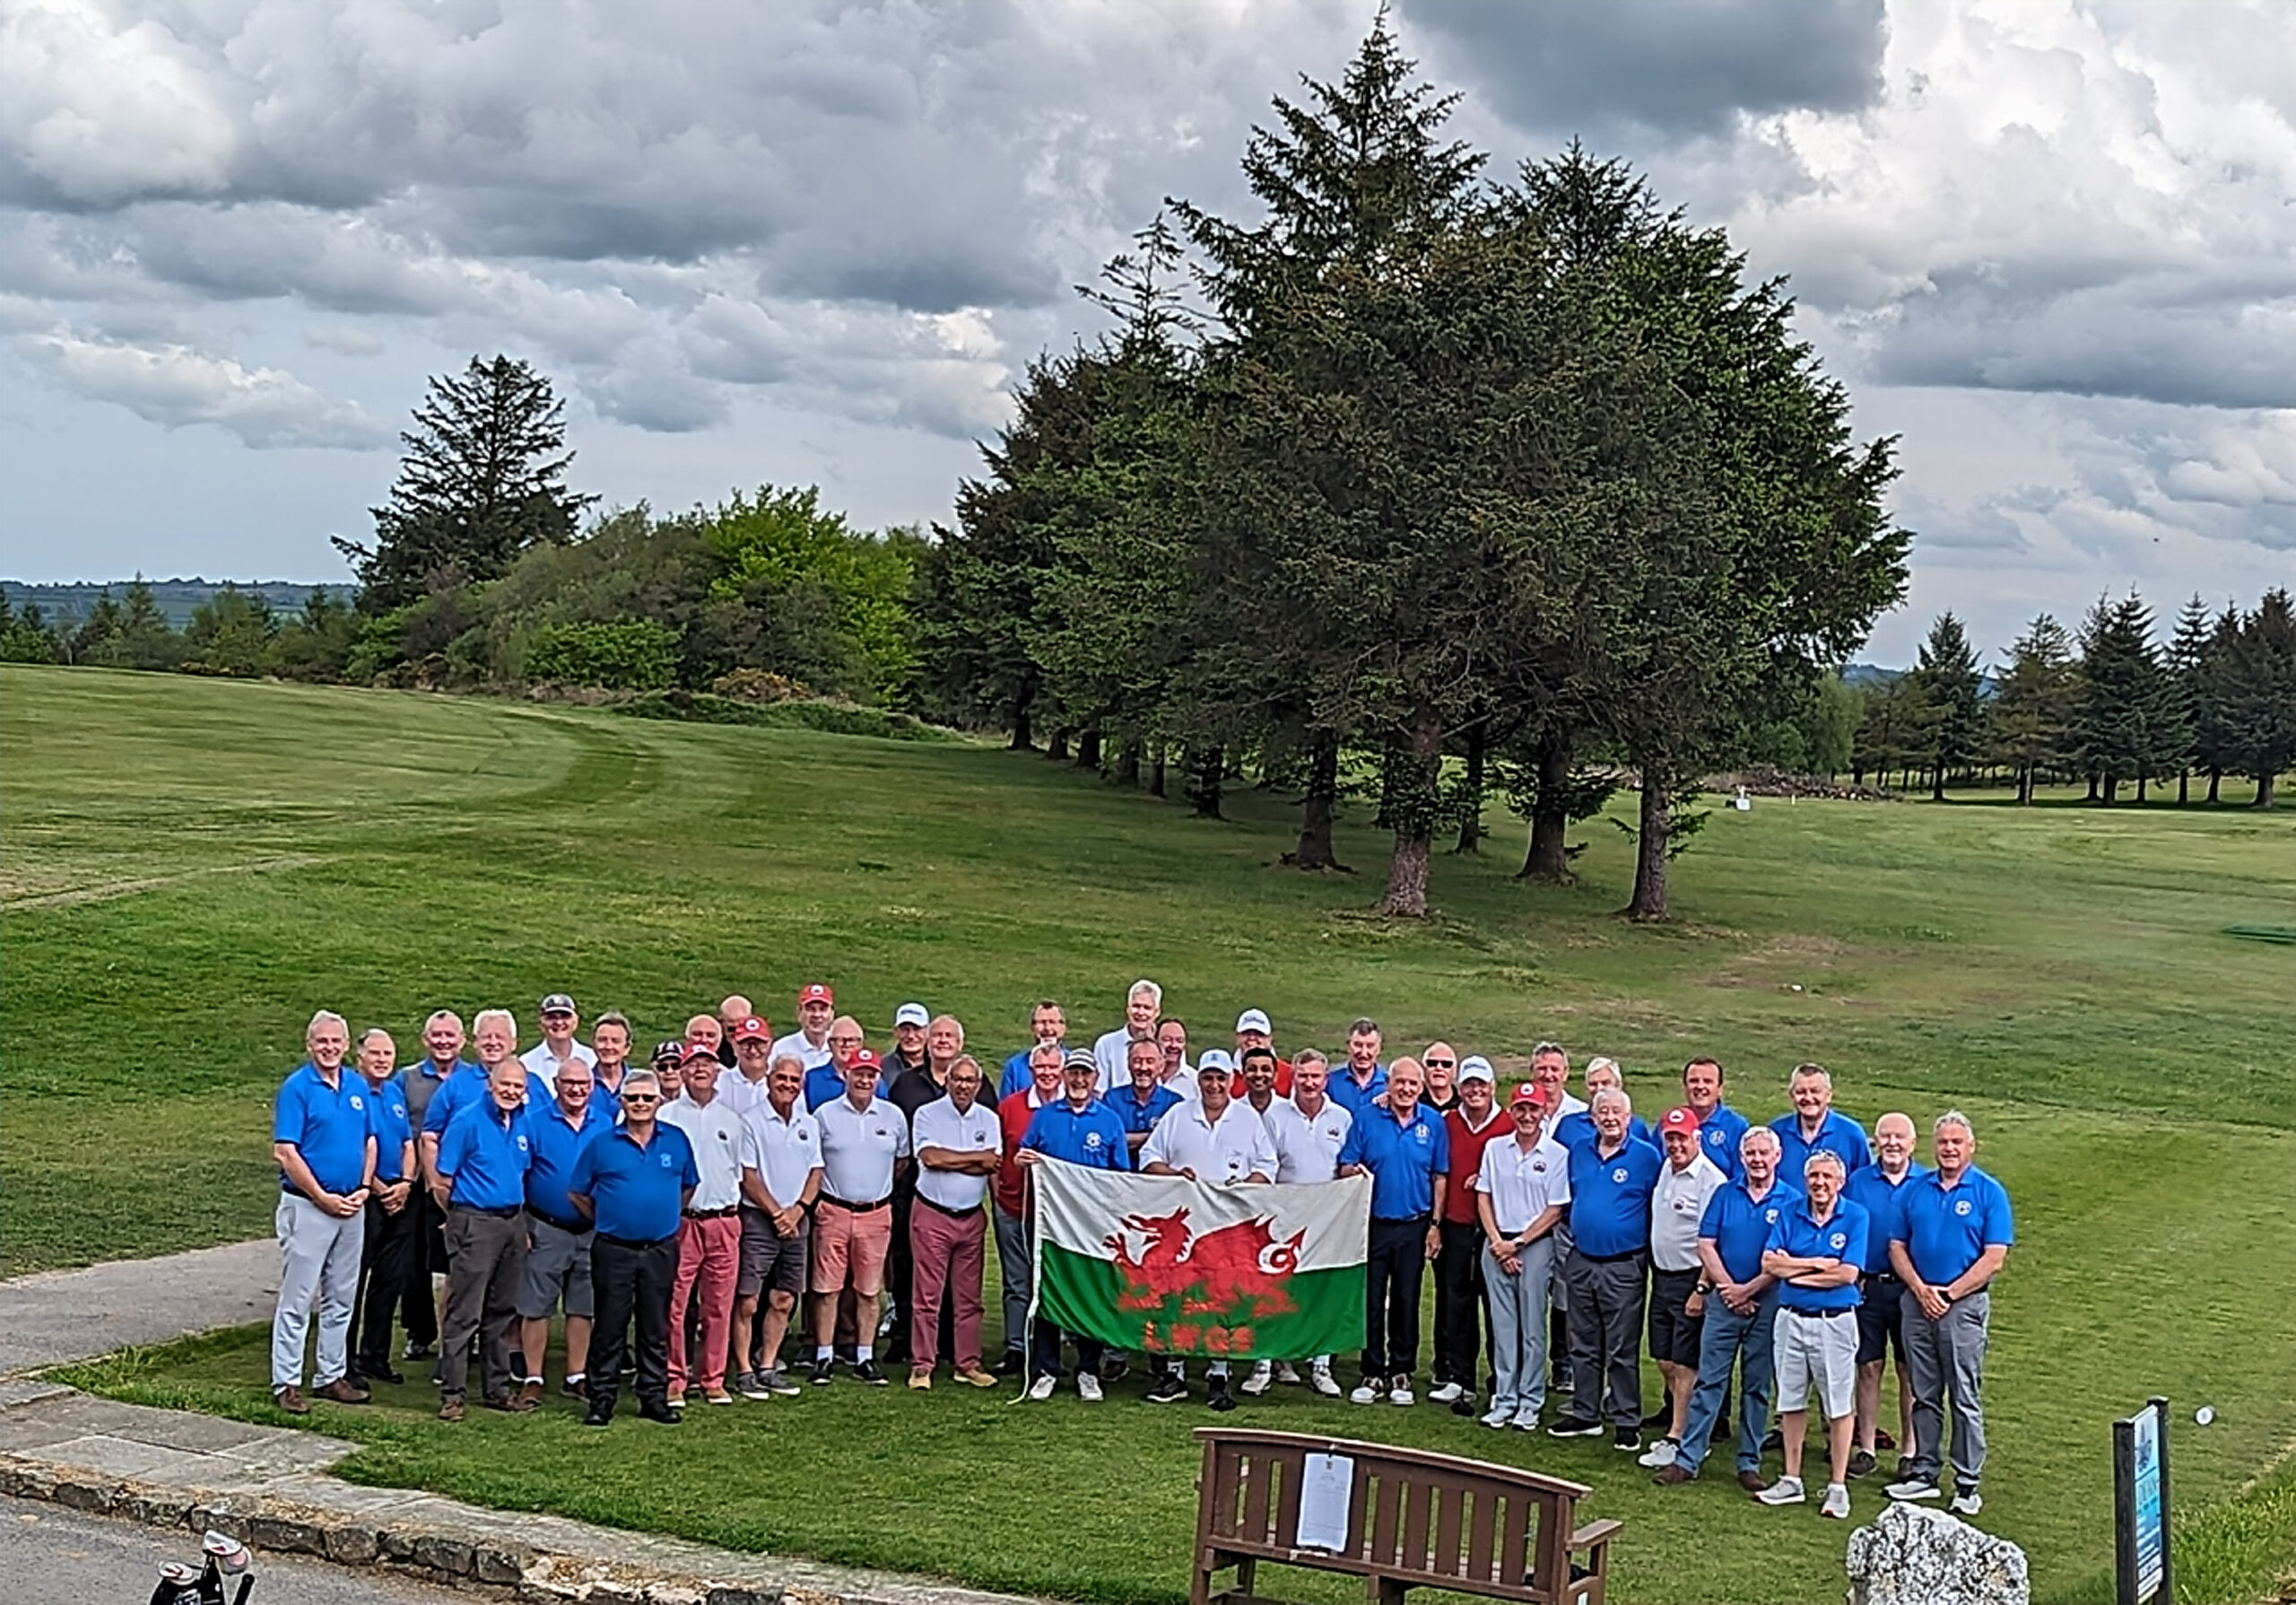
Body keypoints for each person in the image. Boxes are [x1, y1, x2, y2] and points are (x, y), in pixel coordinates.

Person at [1885, 1111, 2013, 1516]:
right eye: (1943, 1142)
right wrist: (1921, 1290)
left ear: (1971, 1146)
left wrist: (1949, 1293)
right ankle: (1924, 1472)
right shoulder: (1916, 1190)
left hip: (1964, 1306)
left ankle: (1967, 1482)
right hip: (1917, 1303)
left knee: (1963, 1393)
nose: (1949, 1149)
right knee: (1924, 1392)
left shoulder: (1988, 1192)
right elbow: (1896, 1246)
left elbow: (1994, 1258)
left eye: (1957, 1142)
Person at [1656, 1127, 1797, 1491]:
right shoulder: (1724, 1193)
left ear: (1777, 1156)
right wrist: (1728, 1289)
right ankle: (1688, 1458)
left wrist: (1747, 1291)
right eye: (1751, 1153)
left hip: (1767, 1303)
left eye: (1764, 1153)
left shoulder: (1790, 1201)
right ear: (1742, 1156)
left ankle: (1749, 1462)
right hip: (1724, 1303)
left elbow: (1782, 1258)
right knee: (1710, 1381)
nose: (1758, 1159)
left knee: (1757, 1385)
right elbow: (1706, 1244)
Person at [1138, 1056, 1278, 1410]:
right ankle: (1175, 1373)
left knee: (1221, 1298)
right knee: (1181, 1296)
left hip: (1226, 1228)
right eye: (1208, 1078)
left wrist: (1246, 1186)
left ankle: (1219, 1374)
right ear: (1199, 1080)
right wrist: (1173, 1175)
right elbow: (1149, 1156)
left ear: (1231, 1081)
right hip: (1187, 1224)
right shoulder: (1179, 1115)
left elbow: (1268, 1166)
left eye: (1220, 1079)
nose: (1213, 1086)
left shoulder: (1247, 1119)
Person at [568, 1069, 696, 1426]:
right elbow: (577, 1192)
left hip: (659, 1248)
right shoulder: (603, 1143)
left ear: (659, 1101)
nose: (640, 1104)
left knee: (655, 1327)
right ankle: (601, 1399)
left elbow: (688, 1187)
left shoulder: (676, 1140)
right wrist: (608, 1217)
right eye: (633, 1097)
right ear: (622, 1102)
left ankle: (653, 1397)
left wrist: (663, 1215)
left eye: (647, 1098)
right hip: (614, 1249)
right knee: (610, 1325)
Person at [269, 1011, 376, 1414]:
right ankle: (286, 1381)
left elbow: (369, 1141)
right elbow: (286, 1151)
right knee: (298, 1297)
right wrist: (321, 1196)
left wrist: (364, 1187)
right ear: (309, 1045)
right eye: (321, 1042)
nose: (329, 1048)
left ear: (347, 1045)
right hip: (308, 1205)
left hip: (352, 1206)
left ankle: (331, 1374)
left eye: (336, 1041)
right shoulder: (298, 1087)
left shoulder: (356, 1086)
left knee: (342, 1296)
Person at [1757, 1150, 1868, 1517]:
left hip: (1834, 1321)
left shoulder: (1855, 1216)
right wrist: (1815, 1264)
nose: (1819, 1184)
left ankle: (1837, 1485)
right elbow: (1769, 1262)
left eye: (1826, 1177)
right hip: (1790, 1318)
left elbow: (1847, 1274)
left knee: (1838, 1403)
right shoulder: (1791, 1211)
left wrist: (1795, 1272)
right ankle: (1791, 1479)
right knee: (1790, 1399)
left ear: (1839, 1182)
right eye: (1813, 1177)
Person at [1549, 1087, 1661, 1450]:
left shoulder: (1646, 1157)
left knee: (1621, 1346)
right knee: (1582, 1341)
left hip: (1623, 1264)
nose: (1610, 1118)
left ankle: (1626, 1418)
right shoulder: (1579, 1152)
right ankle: (1585, 1412)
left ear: (1629, 1118)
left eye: (1617, 1112)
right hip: (1581, 1259)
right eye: (1603, 1112)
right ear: (1592, 1118)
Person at [1017, 1050, 1131, 1400]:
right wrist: (1024, 1160)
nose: (1079, 1081)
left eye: (1086, 1074)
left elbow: (1121, 1175)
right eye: (1074, 1074)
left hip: (1093, 1224)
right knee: (1049, 1289)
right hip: (1052, 1222)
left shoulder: (1109, 1121)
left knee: (1089, 1292)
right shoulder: (1045, 1117)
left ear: (1095, 1079)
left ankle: (1088, 1369)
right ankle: (1046, 1369)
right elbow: (1024, 1153)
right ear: (1065, 1077)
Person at [1336, 1055, 1445, 1406]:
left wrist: (1435, 1225)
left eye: (1413, 1084)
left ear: (1421, 1087)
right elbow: (1347, 1165)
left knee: (1406, 1299)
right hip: (1373, 1225)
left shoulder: (1433, 1123)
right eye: (1400, 1082)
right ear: (1389, 1083)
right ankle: (1372, 1371)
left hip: (1414, 1225)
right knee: (1372, 1300)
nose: (1406, 1089)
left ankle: (1402, 1371)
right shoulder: (1368, 1117)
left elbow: (1439, 1176)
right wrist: (1357, 1174)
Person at [1242, 1049, 1350, 1398]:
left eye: (1315, 1076)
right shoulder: (1274, 1116)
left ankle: (1321, 1365)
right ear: (1295, 1078)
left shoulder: (1342, 1118)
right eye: (1303, 1076)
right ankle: (1265, 1363)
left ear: (1325, 1079)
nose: (1309, 1083)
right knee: (1273, 1293)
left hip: (1327, 1219)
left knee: (1320, 1291)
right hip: (1282, 1219)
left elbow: (1346, 1165)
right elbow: (1267, 1164)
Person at [432, 1058, 535, 1421]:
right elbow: (442, 1180)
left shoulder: (524, 1121)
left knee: (502, 1311)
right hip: (475, 1220)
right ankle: (453, 1394)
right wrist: (461, 1220)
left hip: (512, 1221)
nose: (510, 1092)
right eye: (504, 1085)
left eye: (517, 1087)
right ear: (491, 1084)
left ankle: (497, 1389)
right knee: (465, 1311)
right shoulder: (467, 1120)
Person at [809, 1047, 909, 1386]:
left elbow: (901, 1161)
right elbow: (814, 1162)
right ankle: (824, 1355)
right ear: (845, 1075)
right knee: (828, 1288)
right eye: (858, 1073)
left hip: (875, 1213)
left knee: (868, 1290)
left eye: (870, 1074)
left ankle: (865, 1357)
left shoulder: (893, 1116)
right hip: (834, 1209)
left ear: (878, 1078)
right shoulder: (824, 1115)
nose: (864, 1079)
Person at [1473, 1083, 1570, 1431]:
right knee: (1502, 1327)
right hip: (1497, 1245)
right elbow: (1483, 1196)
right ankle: (1504, 1397)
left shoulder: (1556, 1154)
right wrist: (1498, 1242)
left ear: (1544, 1112)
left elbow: (1555, 1208)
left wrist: (1518, 1243)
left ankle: (1530, 1400)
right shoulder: (1495, 1148)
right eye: (1521, 1109)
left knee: (1532, 1328)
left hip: (1535, 1247)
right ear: (1511, 1111)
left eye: (1534, 1109)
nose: (1527, 1116)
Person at [1639, 1107, 1729, 1470]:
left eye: (1682, 1137)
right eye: (1670, 1137)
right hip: (1662, 1277)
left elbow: (1713, 1239)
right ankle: (1692, 1421)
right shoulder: (1666, 1168)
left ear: (1697, 1138)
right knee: (1663, 1357)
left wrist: (1702, 1288)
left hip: (1691, 1277)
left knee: (1685, 1361)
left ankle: (1679, 1435)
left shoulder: (1710, 1179)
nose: (1675, 1144)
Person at [906, 1055, 1004, 1391]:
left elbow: (991, 1166)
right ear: (947, 1081)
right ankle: (922, 1365)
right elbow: (930, 1159)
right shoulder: (927, 1114)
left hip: (971, 1216)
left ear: (978, 1085)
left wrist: (953, 1160)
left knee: (969, 1298)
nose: (963, 1086)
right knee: (927, 1296)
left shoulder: (988, 1119)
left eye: (970, 1081)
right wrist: (974, 1158)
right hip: (933, 1213)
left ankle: (968, 1363)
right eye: (958, 1080)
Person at [515, 1059, 607, 1405]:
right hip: (546, 1227)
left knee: (583, 1306)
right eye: (569, 1083)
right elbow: (520, 1174)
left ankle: (576, 1374)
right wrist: (522, 1225)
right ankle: (534, 1376)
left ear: (592, 1086)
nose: (576, 1089)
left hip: (590, 1229)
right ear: (557, 1083)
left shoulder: (605, 1124)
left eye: (583, 1083)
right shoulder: (534, 1123)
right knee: (536, 1306)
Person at [732, 1053, 822, 1400]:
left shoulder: (807, 1122)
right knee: (748, 1300)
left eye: (794, 1080)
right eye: (781, 1078)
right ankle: (743, 1369)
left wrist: (798, 1210)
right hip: (759, 1218)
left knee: (784, 1297)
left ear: (801, 1085)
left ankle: (768, 1365)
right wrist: (777, 1214)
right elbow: (747, 1175)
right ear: (769, 1079)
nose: (787, 1085)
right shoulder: (751, 1121)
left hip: (797, 1220)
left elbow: (816, 1171)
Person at [660, 1042, 745, 1408]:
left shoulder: (731, 1119)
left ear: (717, 1071)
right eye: (692, 1065)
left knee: (718, 1305)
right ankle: (675, 1378)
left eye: (706, 1064)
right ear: (681, 1071)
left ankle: (712, 1378)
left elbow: (738, 1172)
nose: (699, 1071)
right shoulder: (665, 1116)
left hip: (724, 1221)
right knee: (675, 1305)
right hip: (683, 1222)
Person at [1844, 1112, 1927, 1479]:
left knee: (1909, 1370)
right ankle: (1865, 1447)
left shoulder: (1927, 1182)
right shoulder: (1857, 1182)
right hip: (1868, 1286)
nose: (1892, 1143)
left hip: (1910, 1289)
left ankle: (1910, 1450)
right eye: (1885, 1137)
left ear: (1913, 1143)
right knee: (1868, 1367)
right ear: (1875, 1142)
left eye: (1900, 1137)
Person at [884, 1012, 967, 1367]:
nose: (943, 1041)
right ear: (928, 1043)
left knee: (953, 1270)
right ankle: (904, 1336)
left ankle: (947, 1340)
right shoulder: (905, 1084)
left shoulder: (973, 1082)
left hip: (959, 1194)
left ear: (960, 1043)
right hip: (912, 1188)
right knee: (906, 1264)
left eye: (950, 1036)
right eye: (938, 1036)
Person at [396, 1009, 473, 1365]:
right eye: (437, 1035)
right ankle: (419, 1331)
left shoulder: (476, 1079)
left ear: (463, 1040)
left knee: (460, 1261)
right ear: (425, 1040)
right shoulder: (407, 1079)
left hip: (460, 1181)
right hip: (414, 1181)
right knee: (415, 1262)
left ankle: (462, 1335)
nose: (443, 1041)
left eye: (450, 1035)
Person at [1432, 1056, 1504, 1411]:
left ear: (1493, 1087)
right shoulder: (1447, 1121)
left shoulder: (1508, 1123)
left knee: (1497, 1308)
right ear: (1459, 1089)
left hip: (1496, 1230)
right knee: (1456, 1304)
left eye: (1482, 1085)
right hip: (1457, 1224)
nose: (1475, 1091)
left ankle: (1499, 1379)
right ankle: (1459, 1378)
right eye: (1469, 1085)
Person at [991, 1040, 1066, 1374]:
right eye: (1041, 1068)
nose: (1047, 1074)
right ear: (1031, 1071)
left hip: (1059, 1215)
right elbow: (997, 1157)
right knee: (1016, 1280)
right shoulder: (1010, 1107)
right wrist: (999, 1194)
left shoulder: (1073, 1106)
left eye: (1053, 1068)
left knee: (1052, 1281)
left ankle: (1050, 1351)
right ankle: (1016, 1347)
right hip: (1014, 1207)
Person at [347, 1028, 415, 1387]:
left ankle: (375, 1355)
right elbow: (358, 1147)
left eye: (388, 1053)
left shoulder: (394, 1093)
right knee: (354, 1282)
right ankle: (344, 1359)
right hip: (368, 1198)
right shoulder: (352, 1093)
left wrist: (405, 1184)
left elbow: (408, 1142)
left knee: (389, 1281)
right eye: (375, 1053)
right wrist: (379, 1188)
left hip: (398, 1199)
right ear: (360, 1057)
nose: (383, 1060)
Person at [1528, 1040, 1584, 1393]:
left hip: (1564, 1223)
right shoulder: (1520, 1108)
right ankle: (1527, 1366)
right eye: (1541, 1069)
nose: (1548, 1076)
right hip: (1525, 1222)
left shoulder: (1582, 1114)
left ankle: (1564, 1364)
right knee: (1530, 1298)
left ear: (1565, 1073)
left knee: (1566, 1298)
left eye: (1554, 1069)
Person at [1769, 1063, 1871, 1187]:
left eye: (1815, 1091)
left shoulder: (1852, 1134)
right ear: (1792, 1096)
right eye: (1801, 1092)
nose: (1808, 1098)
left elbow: (1863, 1185)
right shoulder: (1776, 1133)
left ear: (1828, 1095)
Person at [1110, 1035, 1182, 1157]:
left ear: (1161, 1066)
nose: (1143, 1068)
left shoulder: (1175, 1103)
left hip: (1156, 1174)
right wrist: (1154, 1137)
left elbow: (1176, 1144)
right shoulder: (1112, 1099)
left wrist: (1129, 1139)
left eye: (1150, 1061)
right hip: (1119, 1173)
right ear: (1128, 1064)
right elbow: (1108, 1140)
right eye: (1137, 1061)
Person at [1683, 1058, 1747, 1182]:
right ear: (1685, 1088)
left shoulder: (1736, 1126)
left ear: (1720, 1089)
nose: (1700, 1086)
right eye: (1693, 1081)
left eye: (1708, 1081)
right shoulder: (1671, 1122)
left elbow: (1741, 1179)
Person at [1092, 979, 1163, 1093]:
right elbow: (1099, 1089)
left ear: (1157, 1012)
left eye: (1147, 1008)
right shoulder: (1106, 1044)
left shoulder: (1165, 1043)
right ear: (1128, 1009)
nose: (1140, 1012)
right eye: (1136, 1006)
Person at [998, 999, 1068, 1097]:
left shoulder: (1075, 1063)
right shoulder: (1014, 1067)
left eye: (1052, 1022)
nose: (1047, 1028)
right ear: (1032, 1027)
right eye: (1042, 1022)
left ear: (1063, 1027)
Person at [521, 994, 597, 1079]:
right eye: (551, 1018)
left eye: (565, 1016)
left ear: (575, 1022)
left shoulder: (592, 1058)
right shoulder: (527, 1063)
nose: (559, 1022)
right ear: (541, 1023)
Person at [770, 983, 838, 1075]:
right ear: (799, 1013)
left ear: (832, 1014)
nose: (817, 1015)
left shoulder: (840, 1047)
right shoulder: (781, 1048)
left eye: (823, 1009)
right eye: (810, 1009)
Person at [804, 1016, 867, 1111]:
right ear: (829, 1044)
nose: (846, 1045)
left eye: (852, 1040)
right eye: (840, 1040)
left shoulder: (871, 1080)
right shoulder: (811, 1079)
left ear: (860, 1044)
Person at [718, 1016, 777, 1116]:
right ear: (734, 1046)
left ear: (770, 1045)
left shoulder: (782, 1082)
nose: (753, 1051)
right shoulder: (720, 1083)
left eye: (759, 1044)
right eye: (745, 1045)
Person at [1327, 1019, 1387, 1114]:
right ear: (1348, 1047)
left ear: (1379, 1048)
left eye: (1370, 1046)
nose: (1364, 1053)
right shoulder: (1330, 1082)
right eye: (1358, 1045)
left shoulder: (1390, 1084)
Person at [1231, 1008, 1292, 1095]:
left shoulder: (1289, 1074)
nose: (1252, 1038)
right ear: (1237, 1038)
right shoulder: (1223, 1073)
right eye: (1246, 1033)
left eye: (1259, 1034)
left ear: (1270, 1039)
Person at [588, 1012, 635, 1120]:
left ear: (627, 1048)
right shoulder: (581, 1085)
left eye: (615, 1041)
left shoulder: (638, 1084)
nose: (608, 1046)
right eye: (602, 1040)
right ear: (593, 1045)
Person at [884, 1001, 932, 1083]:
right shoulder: (883, 1067)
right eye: (905, 1029)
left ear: (928, 1031)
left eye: (917, 1029)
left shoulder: (941, 1065)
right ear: (896, 1032)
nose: (911, 1036)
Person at [714, 994, 755, 1067]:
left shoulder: (762, 1048)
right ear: (721, 1023)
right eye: (731, 1029)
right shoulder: (714, 1048)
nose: (737, 1034)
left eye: (742, 1028)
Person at [1421, 1042, 1460, 1112]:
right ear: (1423, 1068)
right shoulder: (1413, 1103)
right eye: (1432, 1063)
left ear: (1455, 1071)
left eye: (1446, 1064)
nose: (1439, 1068)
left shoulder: (1464, 1106)